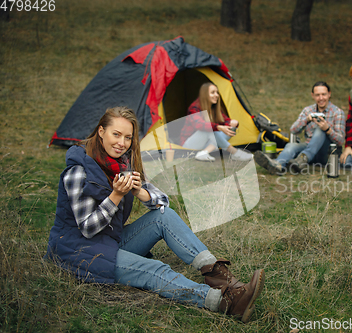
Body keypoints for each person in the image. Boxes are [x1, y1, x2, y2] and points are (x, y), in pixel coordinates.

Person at [45, 107, 265, 323]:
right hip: (76, 251)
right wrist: (115, 196)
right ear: (101, 132)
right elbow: (87, 228)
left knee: (163, 216)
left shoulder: (121, 165)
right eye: (116, 134)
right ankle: (225, 302)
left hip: (108, 242)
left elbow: (162, 203)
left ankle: (219, 275)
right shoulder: (78, 172)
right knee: (154, 269)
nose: (122, 143)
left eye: (128, 137)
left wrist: (140, 191)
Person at [254, 81, 345, 175]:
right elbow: (293, 130)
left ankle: (302, 158)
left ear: (329, 94)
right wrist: (307, 120)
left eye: (324, 94)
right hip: (308, 150)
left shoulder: (337, 112)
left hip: (327, 153)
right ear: (312, 95)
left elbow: (340, 141)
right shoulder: (308, 111)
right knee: (291, 145)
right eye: (317, 95)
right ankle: (278, 165)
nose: (321, 98)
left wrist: (327, 130)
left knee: (320, 130)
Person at [180, 82, 253, 162]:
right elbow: (199, 125)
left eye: (217, 92)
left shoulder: (214, 107)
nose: (216, 95)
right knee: (209, 129)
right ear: (205, 94)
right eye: (212, 93)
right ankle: (235, 152)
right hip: (188, 146)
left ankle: (204, 152)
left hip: (204, 144)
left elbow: (225, 120)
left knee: (231, 129)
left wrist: (232, 123)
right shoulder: (194, 108)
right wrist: (218, 127)